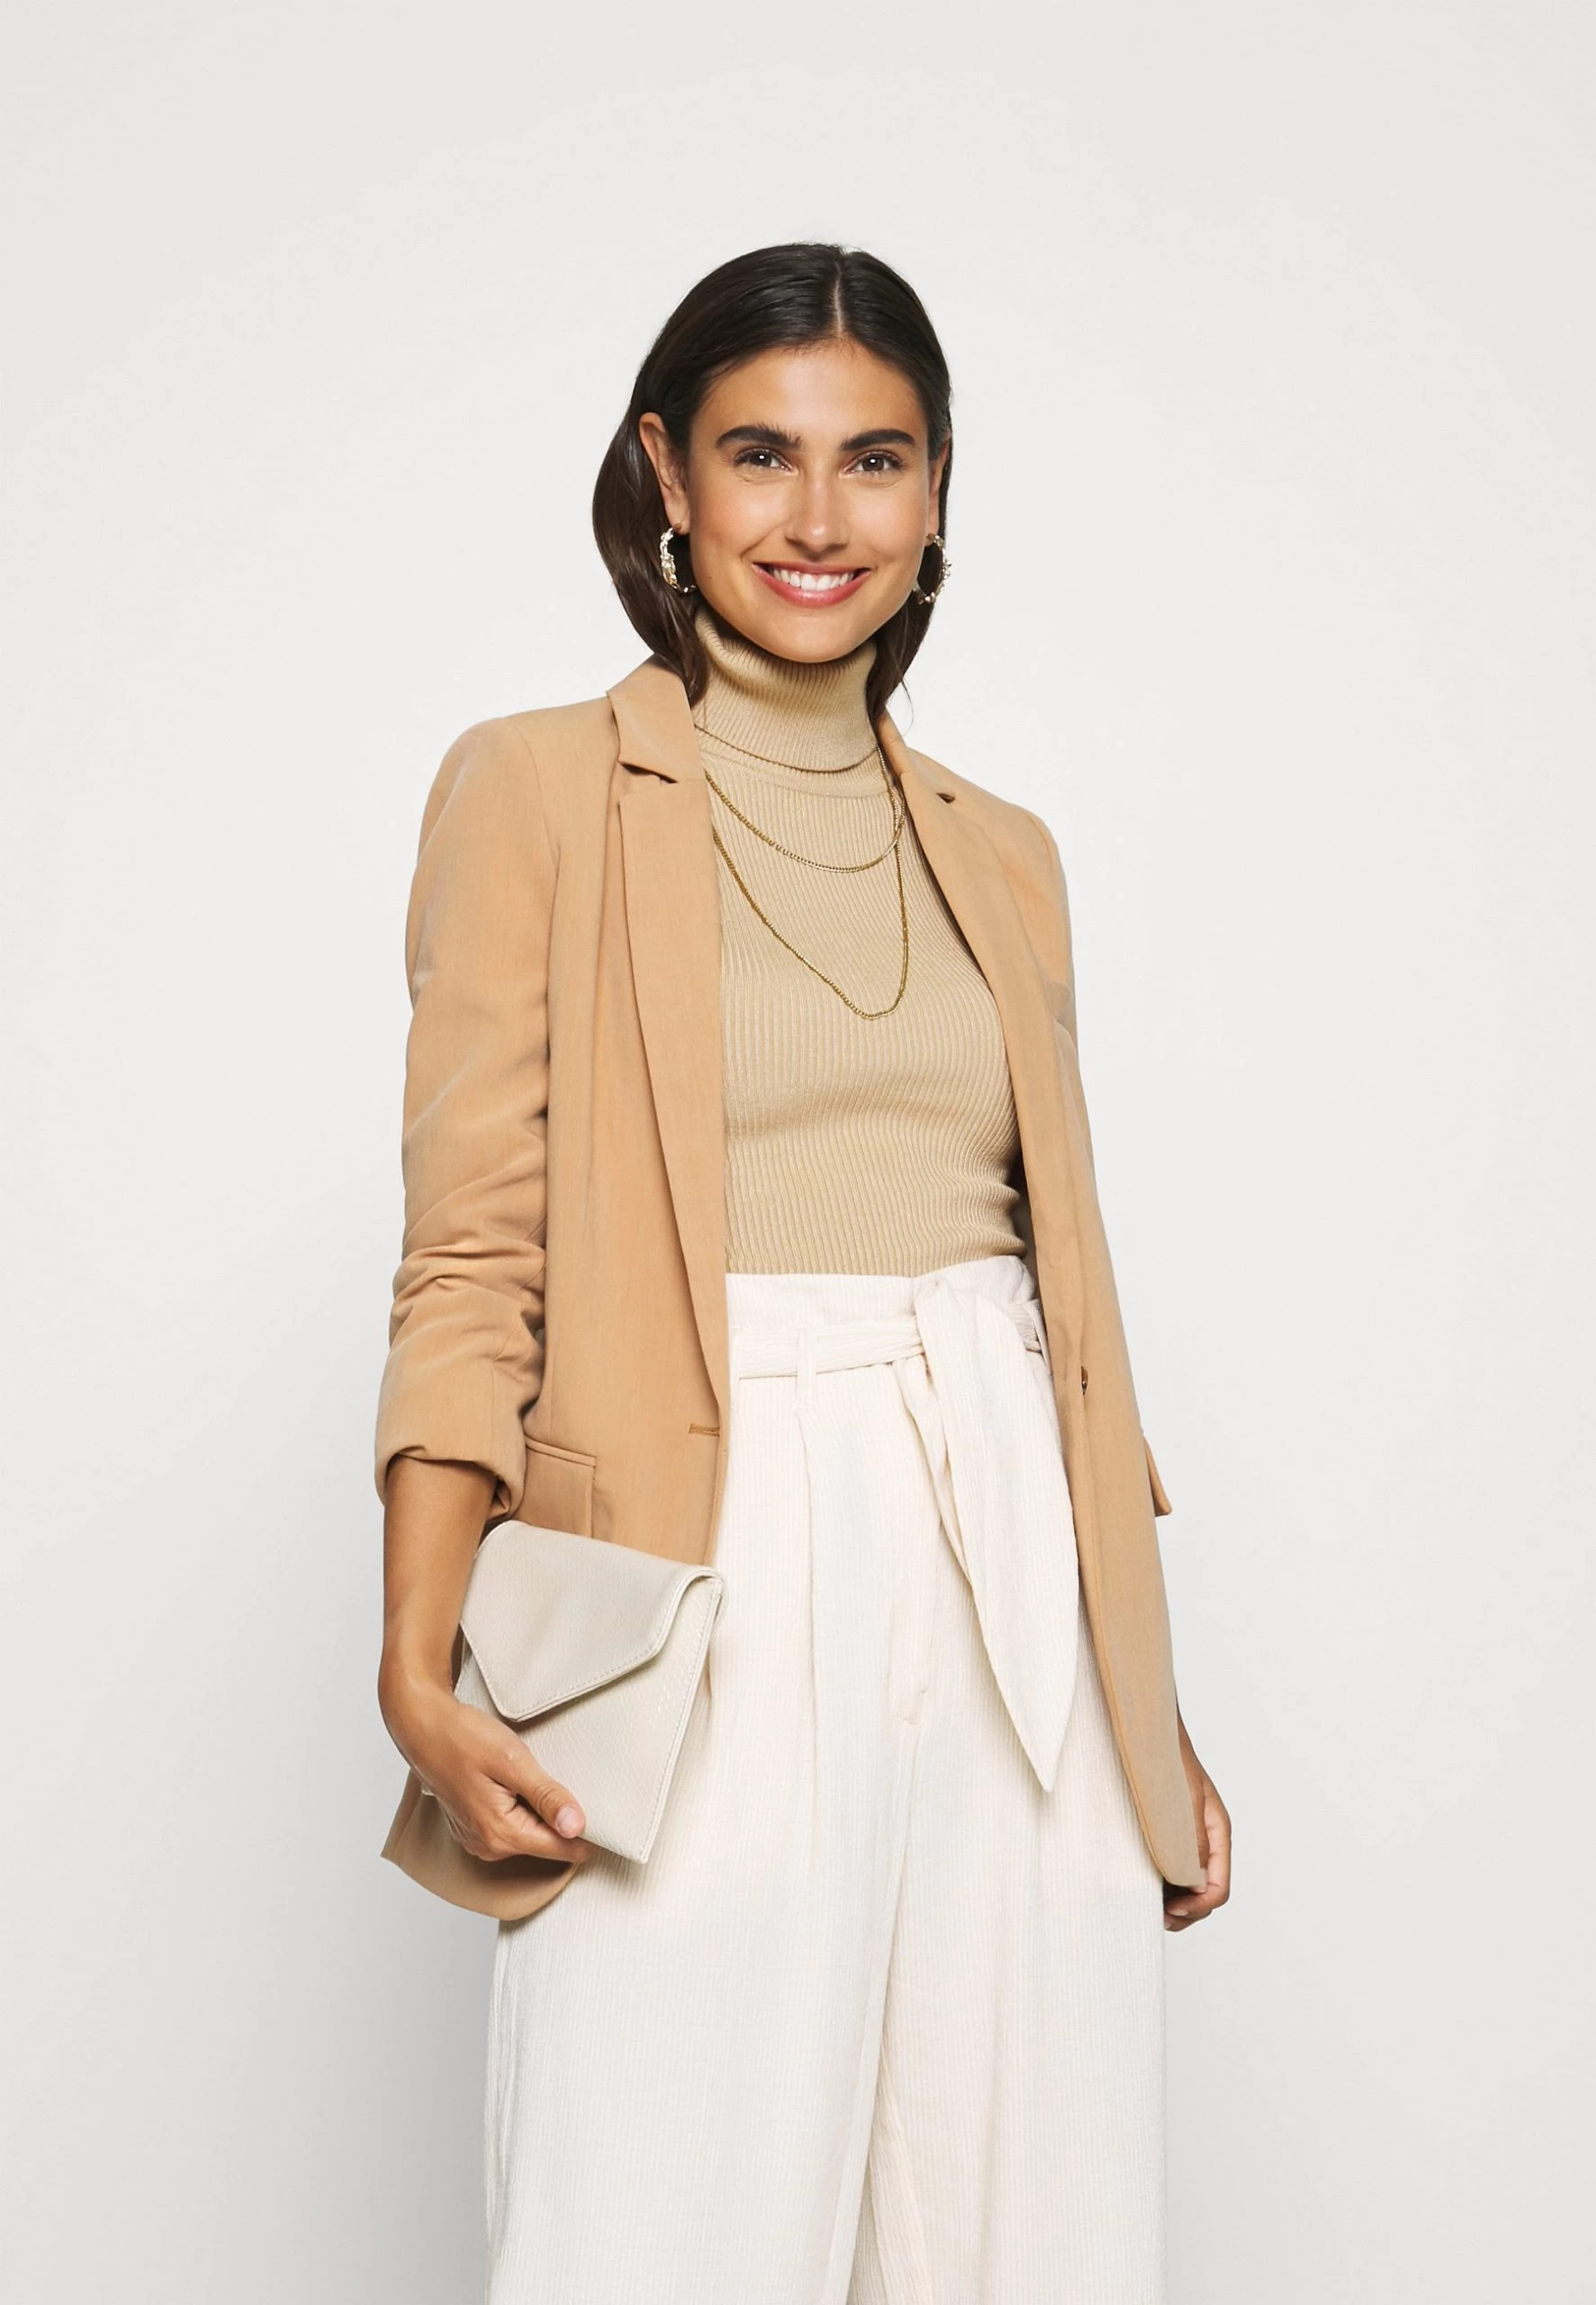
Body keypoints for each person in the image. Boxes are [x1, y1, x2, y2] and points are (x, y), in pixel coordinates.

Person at [374, 240, 1231, 2304]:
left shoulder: (1003, 848)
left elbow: (1058, 1306)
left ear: (936, 491)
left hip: (1009, 1555)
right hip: (703, 1538)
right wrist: (416, 1662)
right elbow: (473, 1254)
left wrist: (1147, 1698)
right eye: (762, 454)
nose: (820, 515)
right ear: (666, 473)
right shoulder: (536, 787)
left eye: (878, 458)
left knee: (1033, 2217)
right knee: (660, 2211)